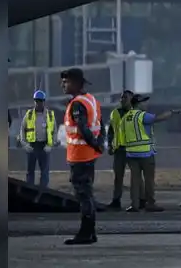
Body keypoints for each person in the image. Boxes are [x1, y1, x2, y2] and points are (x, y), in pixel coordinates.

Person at [60, 67, 104, 245]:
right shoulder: (91, 100)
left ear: (77, 83)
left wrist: (94, 144)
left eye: (67, 81)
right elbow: (101, 124)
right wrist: (98, 145)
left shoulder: (77, 104)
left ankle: (85, 233)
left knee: (83, 195)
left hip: (79, 156)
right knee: (87, 193)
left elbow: (84, 129)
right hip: (89, 155)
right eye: (62, 81)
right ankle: (90, 232)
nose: (63, 85)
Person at [122, 94, 179, 213]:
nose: (146, 104)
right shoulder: (141, 115)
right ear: (138, 103)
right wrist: (171, 113)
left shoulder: (126, 117)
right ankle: (150, 203)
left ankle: (135, 204)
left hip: (131, 153)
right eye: (144, 102)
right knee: (149, 180)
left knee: (135, 180)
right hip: (145, 153)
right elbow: (158, 118)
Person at [20, 90, 56, 189]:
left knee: (44, 171)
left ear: (44, 101)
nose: (38, 103)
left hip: (44, 146)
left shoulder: (49, 115)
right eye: (36, 101)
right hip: (32, 146)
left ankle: (43, 190)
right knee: (30, 170)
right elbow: (22, 129)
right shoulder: (29, 114)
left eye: (40, 101)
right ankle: (29, 190)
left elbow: (54, 132)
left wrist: (50, 145)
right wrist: (24, 144)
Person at [105, 90, 133, 209]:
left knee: (136, 177)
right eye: (121, 98)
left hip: (133, 149)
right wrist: (110, 146)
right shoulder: (115, 113)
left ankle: (139, 200)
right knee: (118, 177)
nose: (122, 100)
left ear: (131, 100)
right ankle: (116, 200)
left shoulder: (135, 113)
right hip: (119, 149)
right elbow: (111, 131)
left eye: (125, 98)